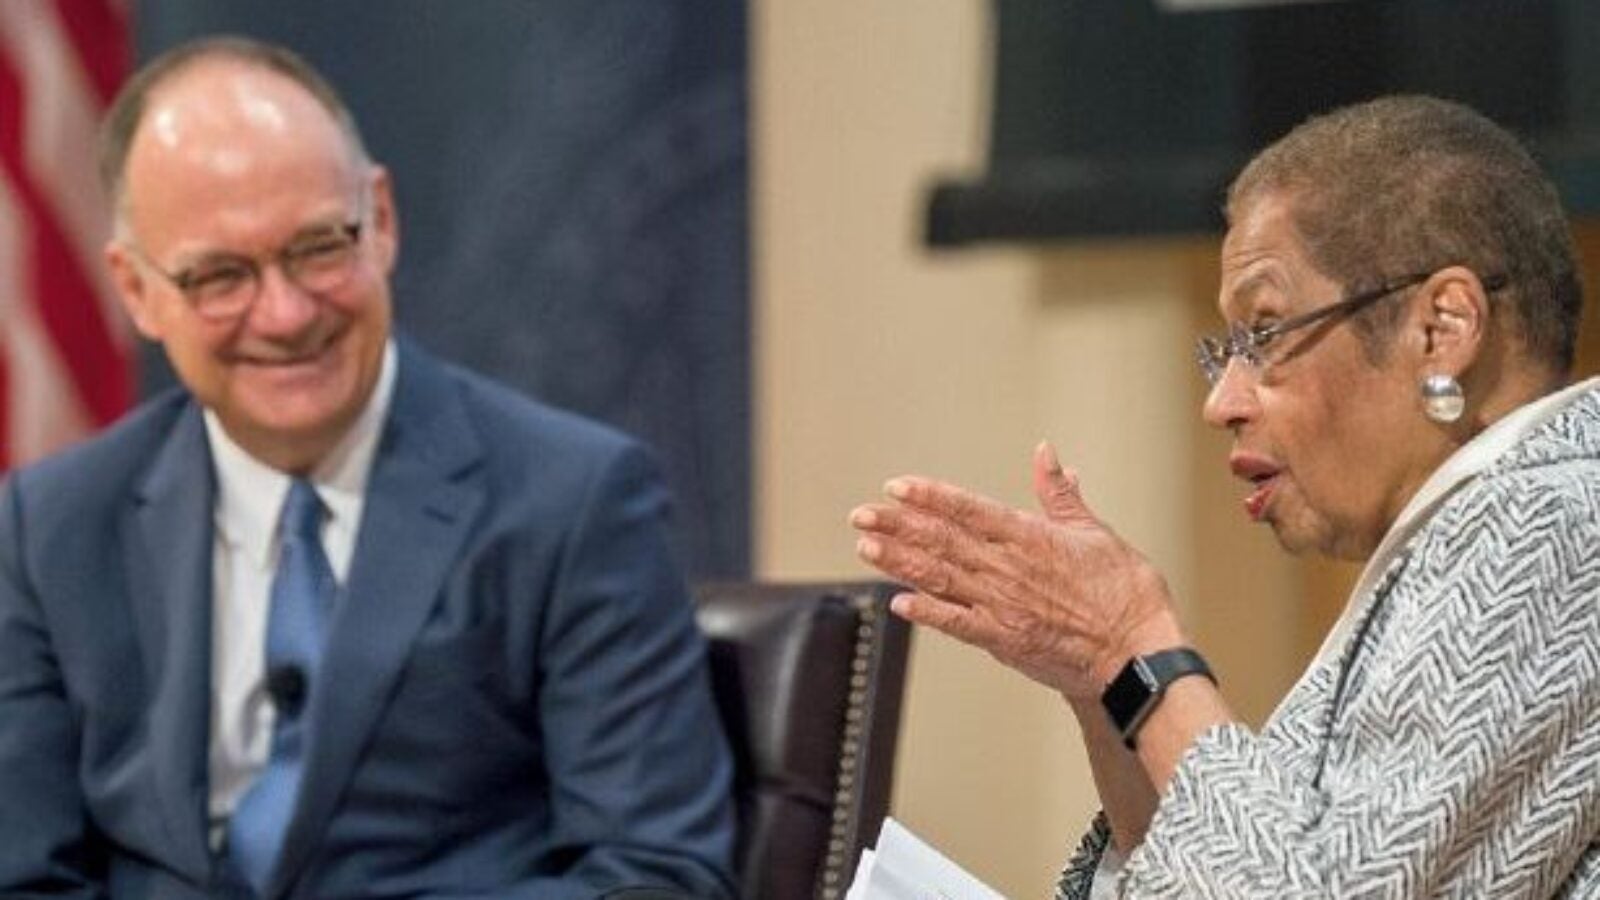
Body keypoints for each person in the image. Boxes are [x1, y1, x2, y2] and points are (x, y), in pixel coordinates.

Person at [0, 36, 736, 899]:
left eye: (318, 247)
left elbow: (656, 876)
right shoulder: (49, 527)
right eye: (220, 276)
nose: (283, 313)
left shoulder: (574, 500)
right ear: (136, 291)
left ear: (380, 220)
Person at [851, 95, 1598, 897]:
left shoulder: (1553, 517)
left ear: (1442, 327)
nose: (1223, 402)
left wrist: (1134, 646)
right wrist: (1112, 693)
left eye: (1266, 334)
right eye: (1225, 351)